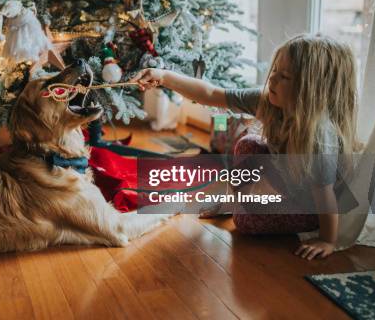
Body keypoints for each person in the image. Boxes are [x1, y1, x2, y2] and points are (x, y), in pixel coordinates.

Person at [130, 34, 360, 260]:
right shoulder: (267, 101)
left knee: (246, 221)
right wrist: (164, 76)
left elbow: (324, 194)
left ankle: (237, 205)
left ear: (311, 89)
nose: (273, 79)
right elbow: (210, 93)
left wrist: (328, 240)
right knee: (248, 144)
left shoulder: (319, 136)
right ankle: (232, 202)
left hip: (308, 206)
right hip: (284, 181)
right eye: (275, 71)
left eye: (285, 77)